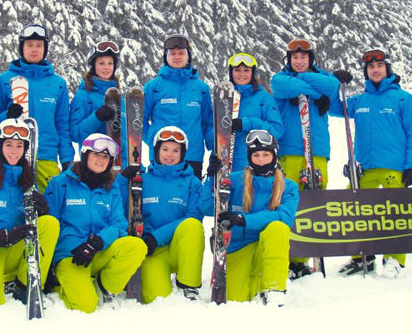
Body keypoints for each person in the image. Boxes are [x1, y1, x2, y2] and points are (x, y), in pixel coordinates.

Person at [330, 48, 412, 278]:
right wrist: (334, 84)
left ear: (387, 69)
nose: (375, 70)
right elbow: (334, 108)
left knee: (396, 213)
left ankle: (394, 258)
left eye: (379, 66)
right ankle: (363, 256)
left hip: (394, 167)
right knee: (353, 210)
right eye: (371, 67)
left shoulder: (403, 98)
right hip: (365, 167)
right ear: (366, 72)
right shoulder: (360, 100)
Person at [0, 118, 60, 307]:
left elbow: (34, 220)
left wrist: (42, 210)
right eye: (8, 145)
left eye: (19, 146)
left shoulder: (27, 178)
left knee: (49, 224)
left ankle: (25, 285)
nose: (14, 151)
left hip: (13, 249)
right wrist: (0, 236)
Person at [44, 133, 147, 313]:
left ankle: (104, 287)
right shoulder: (60, 183)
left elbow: (119, 225)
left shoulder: (111, 187)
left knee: (136, 245)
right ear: (85, 155)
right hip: (71, 256)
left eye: (106, 156)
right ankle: (62, 283)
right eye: (96, 154)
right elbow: (50, 226)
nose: (101, 160)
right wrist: (50, 266)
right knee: (86, 306)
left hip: (97, 251)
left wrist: (97, 242)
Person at [200, 130, 299, 305]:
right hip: (238, 248)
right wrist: (212, 178)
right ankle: (255, 285)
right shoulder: (234, 179)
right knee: (234, 299)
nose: (261, 160)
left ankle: (274, 290)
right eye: (256, 155)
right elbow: (207, 208)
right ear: (249, 157)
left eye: (266, 154)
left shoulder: (288, 186)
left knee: (278, 228)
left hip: (266, 248)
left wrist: (244, 219)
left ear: (274, 156)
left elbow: (285, 217)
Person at [270, 38, 341, 278]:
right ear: (288, 60)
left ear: (311, 59)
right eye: (295, 58)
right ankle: (290, 256)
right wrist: (314, 91)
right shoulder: (280, 78)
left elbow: (332, 86)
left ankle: (310, 252)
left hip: (317, 149)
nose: (299, 62)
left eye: (304, 58)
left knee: (315, 199)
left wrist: (302, 85)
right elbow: (280, 86)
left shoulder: (324, 77)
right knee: (289, 200)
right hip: (290, 149)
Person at [119, 126, 205, 303]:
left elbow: (194, 216)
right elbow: (121, 209)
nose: (170, 155)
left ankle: (188, 285)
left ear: (182, 153)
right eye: (165, 149)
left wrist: (157, 237)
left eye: (176, 150)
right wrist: (122, 181)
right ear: (156, 151)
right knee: (159, 301)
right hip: (153, 251)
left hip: (178, 248)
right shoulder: (143, 179)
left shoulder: (192, 182)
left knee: (192, 226)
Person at [0, 24, 74, 192]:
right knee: (14, 208)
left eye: (39, 45)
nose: (34, 50)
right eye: (29, 45)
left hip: (47, 157)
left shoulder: (57, 83)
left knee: (49, 208)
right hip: (13, 158)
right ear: (21, 48)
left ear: (45, 49)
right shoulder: (6, 79)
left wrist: (67, 158)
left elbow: (62, 126)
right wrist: (6, 116)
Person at [143, 34, 213, 178]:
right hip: (162, 155)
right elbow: (139, 121)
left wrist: (216, 147)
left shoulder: (201, 88)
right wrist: (154, 141)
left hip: (192, 155)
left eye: (181, 53)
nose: (177, 57)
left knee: (191, 198)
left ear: (188, 56)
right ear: (165, 57)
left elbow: (208, 123)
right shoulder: (153, 87)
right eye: (172, 53)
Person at [69, 40, 127, 165]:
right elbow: (76, 134)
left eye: (110, 63)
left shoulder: (119, 99)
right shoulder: (83, 96)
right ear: (94, 66)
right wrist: (97, 117)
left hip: (121, 168)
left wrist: (136, 165)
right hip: (96, 167)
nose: (106, 67)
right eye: (101, 63)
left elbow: (127, 138)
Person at [224, 53, 283, 171]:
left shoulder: (263, 98)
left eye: (246, 70)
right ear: (231, 72)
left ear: (252, 73)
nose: (242, 74)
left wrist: (245, 124)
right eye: (237, 70)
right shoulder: (223, 97)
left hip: (253, 163)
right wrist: (221, 132)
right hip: (224, 163)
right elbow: (210, 136)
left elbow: (277, 130)